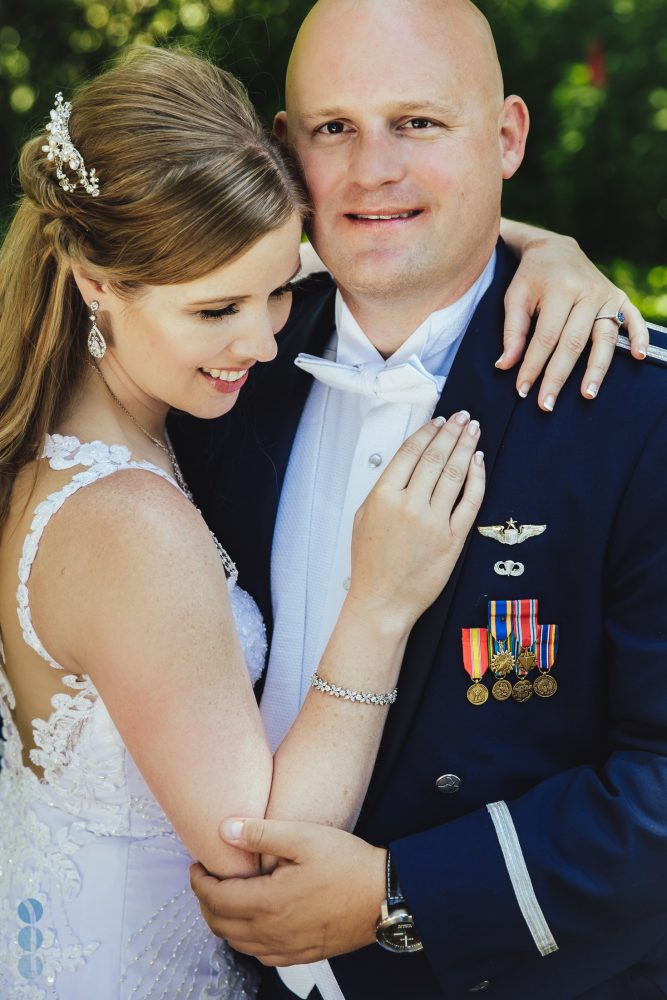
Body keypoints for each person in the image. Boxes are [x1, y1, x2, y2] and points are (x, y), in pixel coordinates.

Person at [182, 2, 667, 999]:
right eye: (333, 129)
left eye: (417, 123)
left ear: (507, 136)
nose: (371, 171)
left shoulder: (638, 409)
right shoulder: (212, 373)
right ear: (285, 151)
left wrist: (400, 895)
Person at [0, 44, 498, 999]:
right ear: (96, 281)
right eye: (217, 309)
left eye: (278, 289)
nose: (264, 339)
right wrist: (380, 605)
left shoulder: (60, 439)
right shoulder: (128, 523)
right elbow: (259, 861)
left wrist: (545, 253)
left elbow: (396, 238)